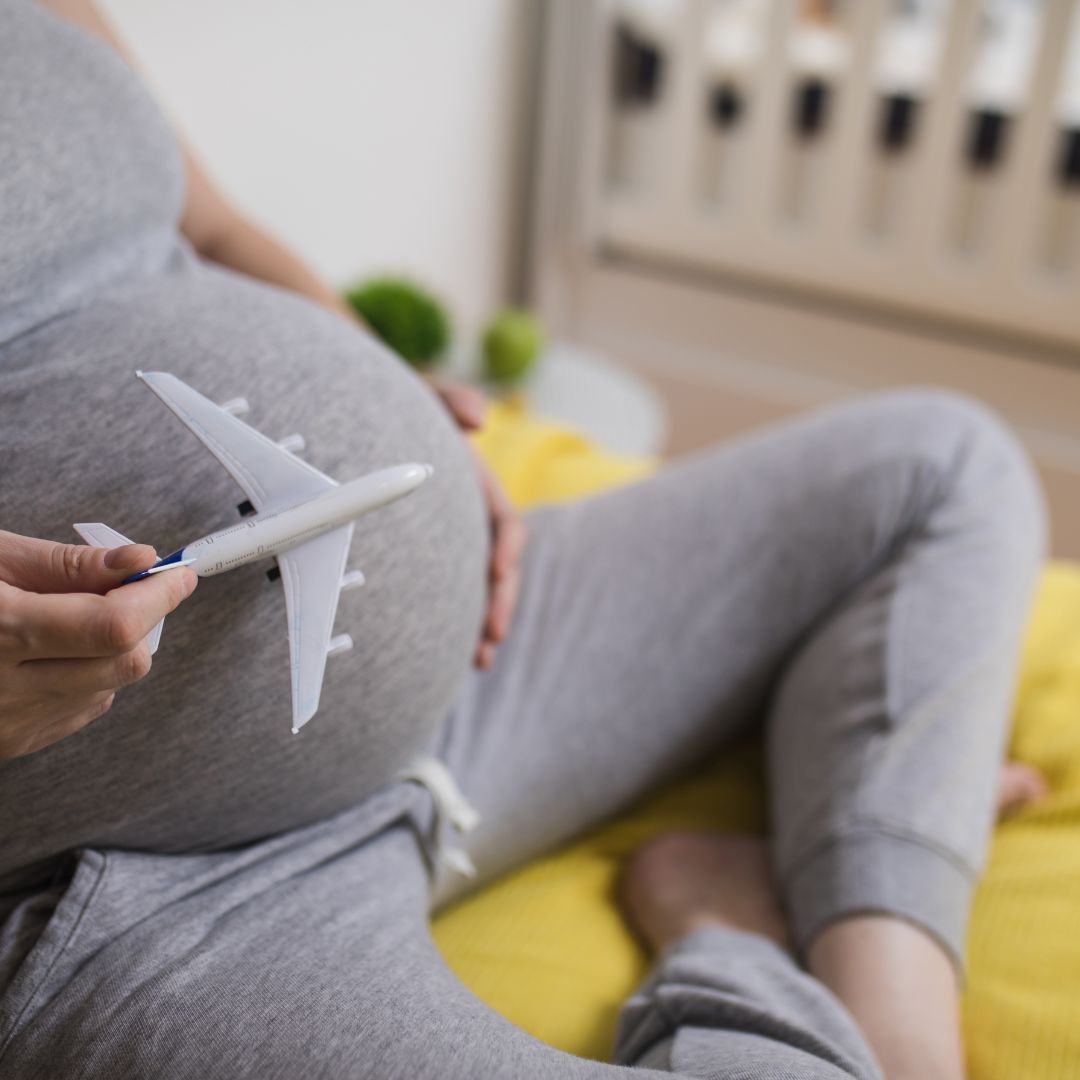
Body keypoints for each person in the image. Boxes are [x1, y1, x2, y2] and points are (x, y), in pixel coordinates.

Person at [0, 2, 1048, 1077]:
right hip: (139, 884)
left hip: (475, 662)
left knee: (942, 465)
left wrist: (397, 401)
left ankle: (905, 1037)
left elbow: (208, 228)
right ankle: (724, 931)